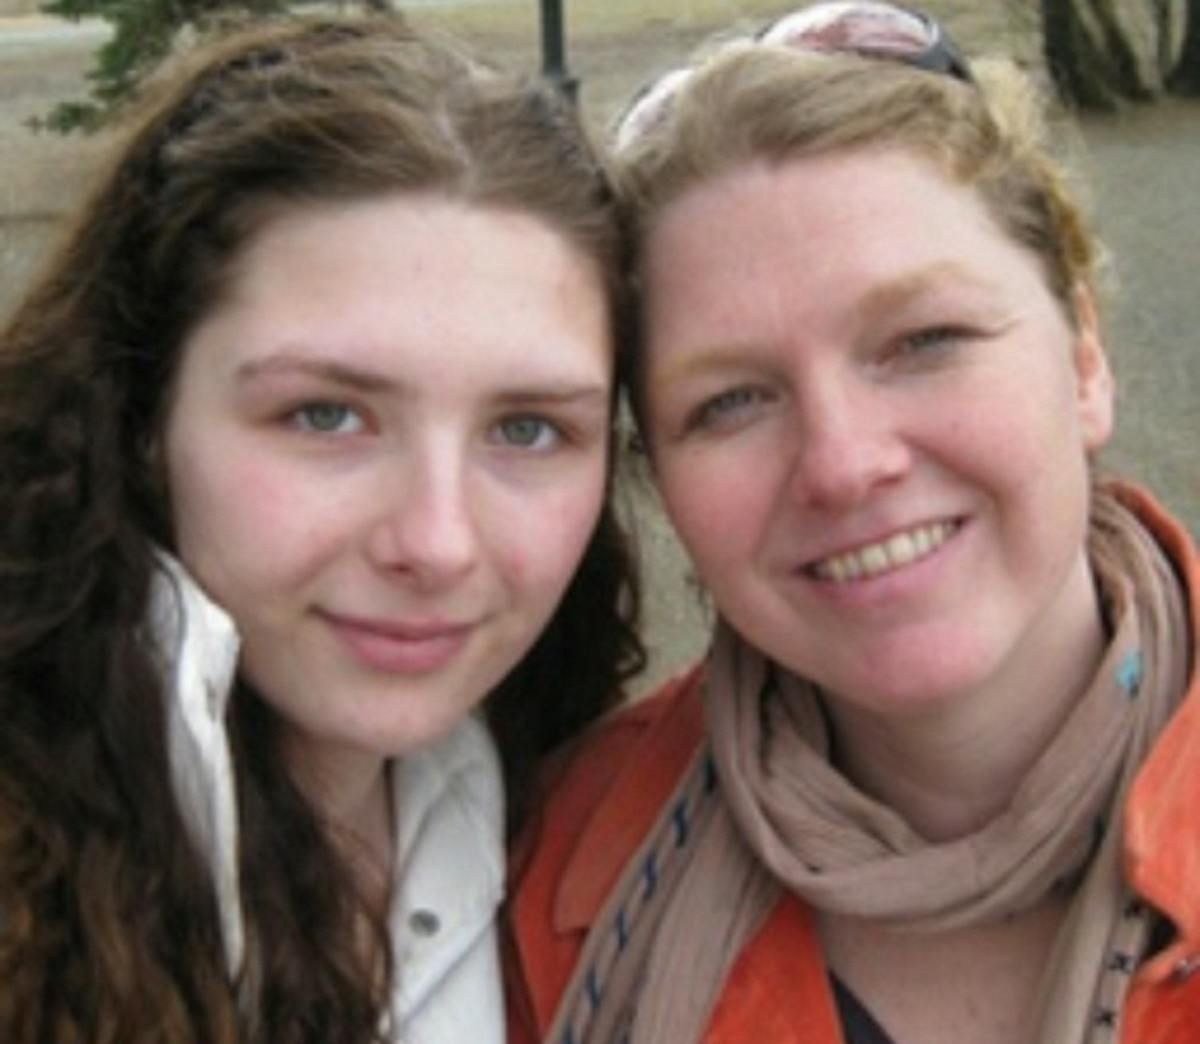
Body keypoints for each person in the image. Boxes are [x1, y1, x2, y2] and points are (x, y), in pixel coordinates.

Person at [508, 3, 1199, 1042]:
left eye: (924, 340)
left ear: (1084, 357)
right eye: (731, 402)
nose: (841, 465)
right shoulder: (546, 872)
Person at [0, 13, 644, 1043]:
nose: (438, 543)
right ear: (140, 415)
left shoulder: (583, 823)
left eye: (527, 429)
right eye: (326, 416)